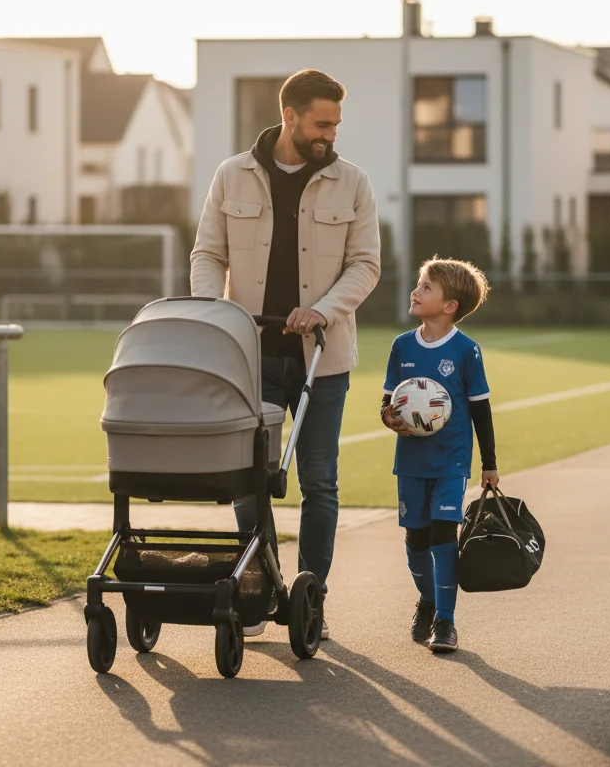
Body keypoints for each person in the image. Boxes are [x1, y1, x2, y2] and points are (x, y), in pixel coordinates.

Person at [191, 68, 381, 639]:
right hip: (248, 357)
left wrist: (322, 309)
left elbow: (365, 264)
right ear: (290, 117)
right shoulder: (232, 175)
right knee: (250, 479)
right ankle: (258, 588)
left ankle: (309, 600)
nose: (330, 135)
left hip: (322, 359)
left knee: (319, 481)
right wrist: (212, 313)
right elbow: (208, 254)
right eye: (322, 124)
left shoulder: (353, 183)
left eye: (337, 125)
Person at [380, 257, 499, 653]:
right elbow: (387, 402)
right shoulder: (401, 346)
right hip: (411, 461)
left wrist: (489, 463)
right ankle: (428, 602)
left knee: (443, 534)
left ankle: (446, 621)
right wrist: (390, 417)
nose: (416, 291)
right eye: (419, 284)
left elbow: (481, 408)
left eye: (426, 287)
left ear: (449, 306)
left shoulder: (466, 351)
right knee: (415, 539)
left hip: (450, 460)